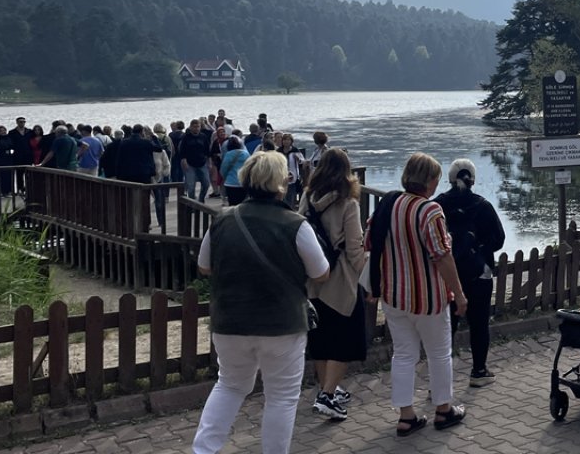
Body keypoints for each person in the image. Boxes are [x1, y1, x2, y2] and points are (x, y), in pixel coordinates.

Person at [192, 152, 331, 454]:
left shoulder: (223, 220)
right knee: (281, 396)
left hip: (230, 320)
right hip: (281, 323)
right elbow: (320, 273)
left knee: (229, 385)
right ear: (281, 182)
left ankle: (203, 450)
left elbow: (204, 266)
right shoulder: (296, 224)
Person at [366, 152, 467, 437]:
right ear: (430, 181)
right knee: (438, 353)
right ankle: (443, 409)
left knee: (403, 354)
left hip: (394, 295)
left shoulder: (389, 204)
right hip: (428, 297)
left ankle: (406, 415)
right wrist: (459, 294)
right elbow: (442, 256)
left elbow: (369, 240)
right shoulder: (430, 211)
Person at [299, 148, 368, 421]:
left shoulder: (306, 197)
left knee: (321, 338)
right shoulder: (348, 204)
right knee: (345, 340)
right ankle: (327, 396)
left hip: (313, 279)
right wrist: (368, 277)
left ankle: (328, 388)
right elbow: (354, 250)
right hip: (339, 281)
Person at [435, 159, 507, 388]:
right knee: (479, 322)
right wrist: (481, 249)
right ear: (473, 180)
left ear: (449, 178)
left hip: (445, 275)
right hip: (478, 274)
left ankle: (439, 381)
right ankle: (478, 371)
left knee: (446, 327)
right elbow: (499, 239)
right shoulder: (483, 206)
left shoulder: (438, 205)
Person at [178, 119, 212, 200]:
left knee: (206, 183)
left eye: (198, 127)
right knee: (191, 186)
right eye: (194, 127)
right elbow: (182, 151)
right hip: (190, 164)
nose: (196, 128)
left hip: (202, 163)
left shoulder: (203, 137)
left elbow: (207, 151)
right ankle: (192, 202)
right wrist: (184, 161)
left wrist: (209, 162)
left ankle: (201, 198)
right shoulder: (186, 137)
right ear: (191, 127)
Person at [219, 137, 250, 206]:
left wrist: (225, 177)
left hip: (231, 183)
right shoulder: (246, 154)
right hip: (243, 183)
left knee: (232, 204)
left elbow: (223, 169)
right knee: (243, 204)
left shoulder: (228, 154)